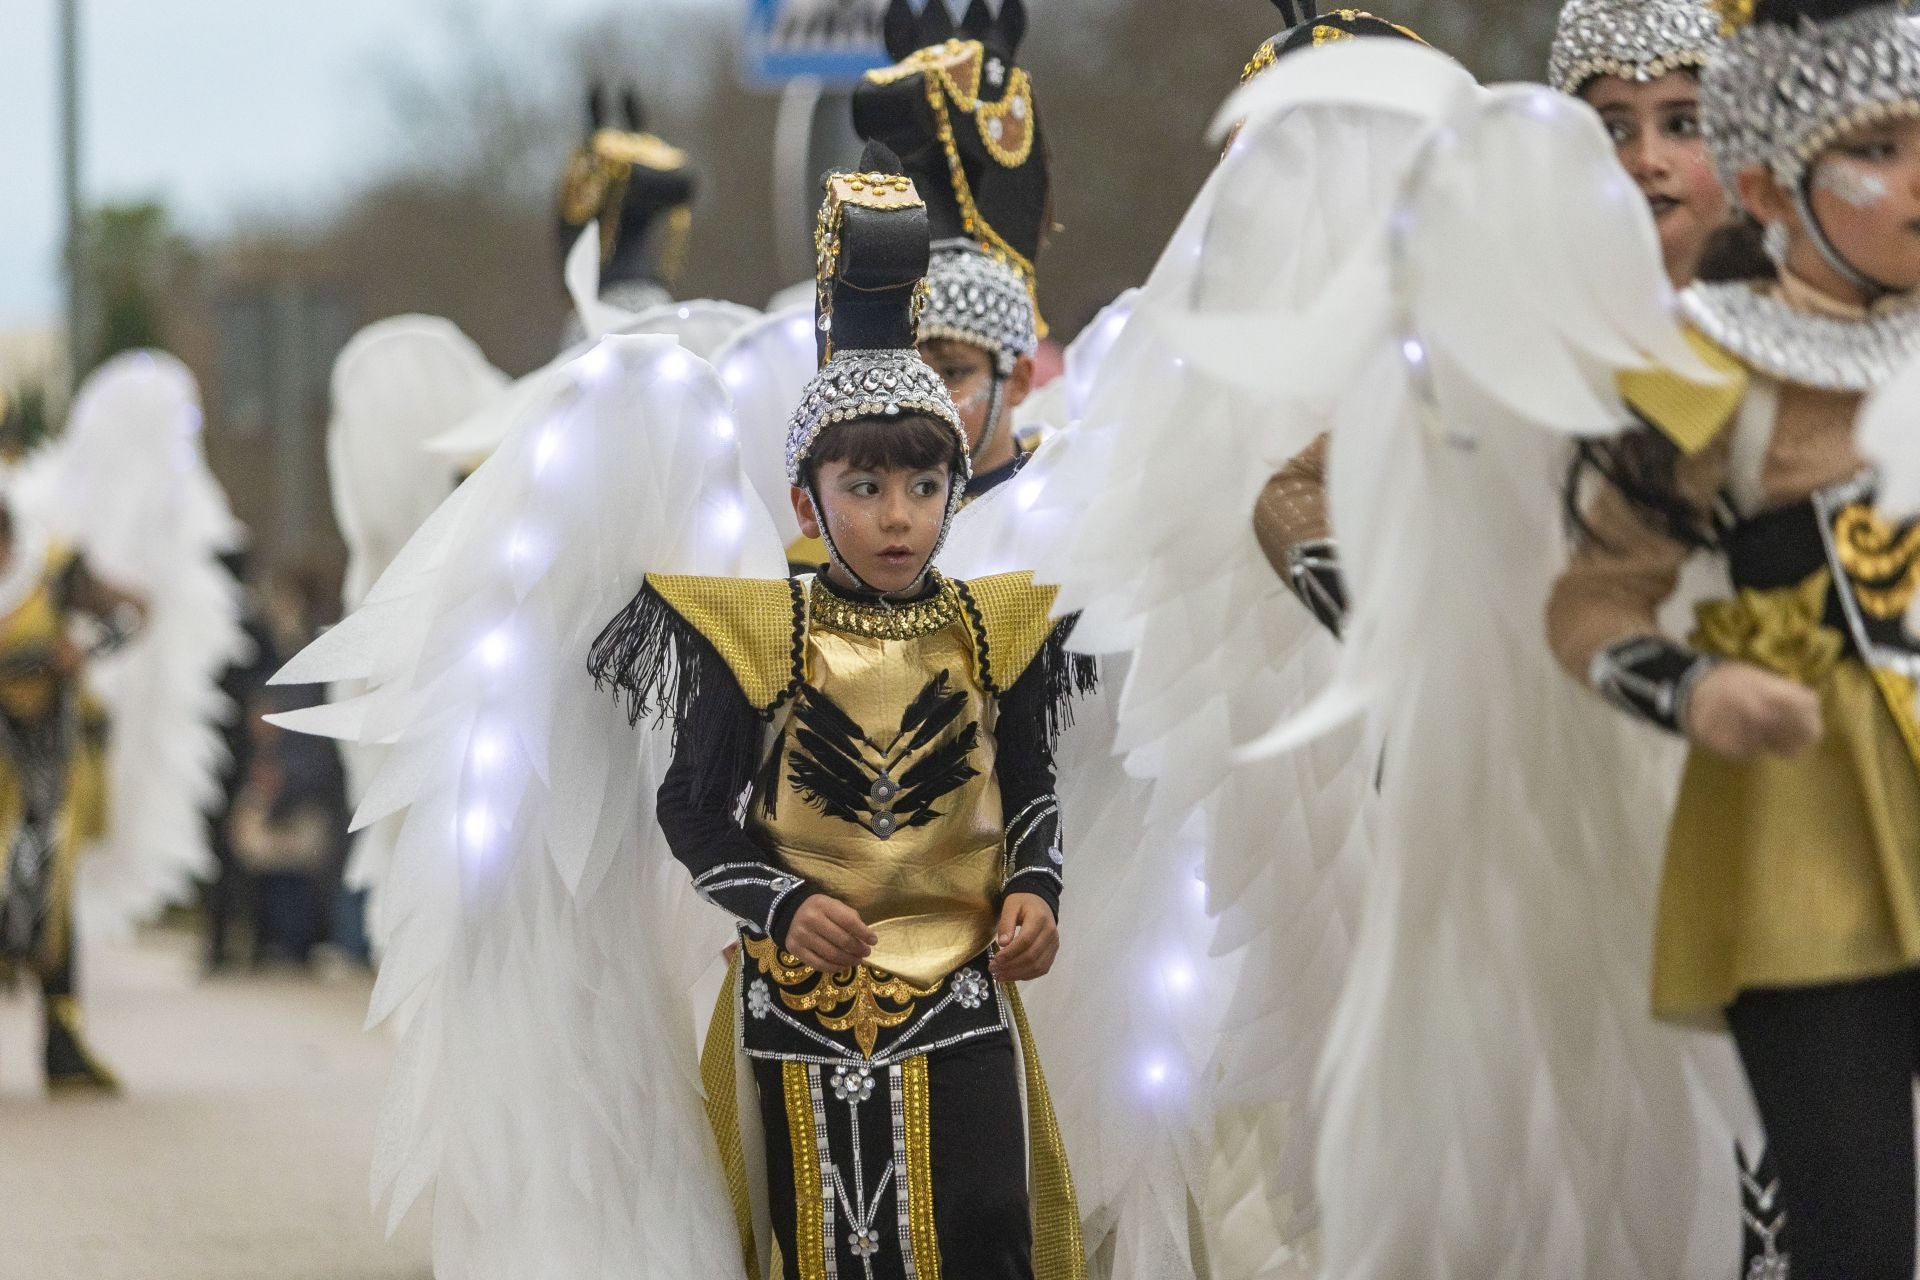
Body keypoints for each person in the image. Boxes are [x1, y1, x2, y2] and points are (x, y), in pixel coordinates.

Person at [588, 155, 1090, 1280]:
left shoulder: (1000, 625)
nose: (897, 517)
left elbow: (1033, 784)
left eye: (922, 488)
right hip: (802, 1002)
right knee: (835, 1242)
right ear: (809, 499)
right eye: (864, 489)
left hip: (963, 988)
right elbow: (692, 807)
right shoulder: (761, 628)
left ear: (956, 493)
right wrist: (780, 901)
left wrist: (1034, 889)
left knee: (985, 1227)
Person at [1548, 0, 1920, 1274]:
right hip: (1801, 837)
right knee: (1856, 1223)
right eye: (1879, 149)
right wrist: (1692, 689)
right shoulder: (1701, 370)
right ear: (1769, 183)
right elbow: (1589, 600)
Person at [0, 493, 145, 1092]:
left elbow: (134, 611)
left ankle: (63, 1046)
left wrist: (81, 650)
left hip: (45, 767)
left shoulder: (51, 567)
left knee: (47, 900)